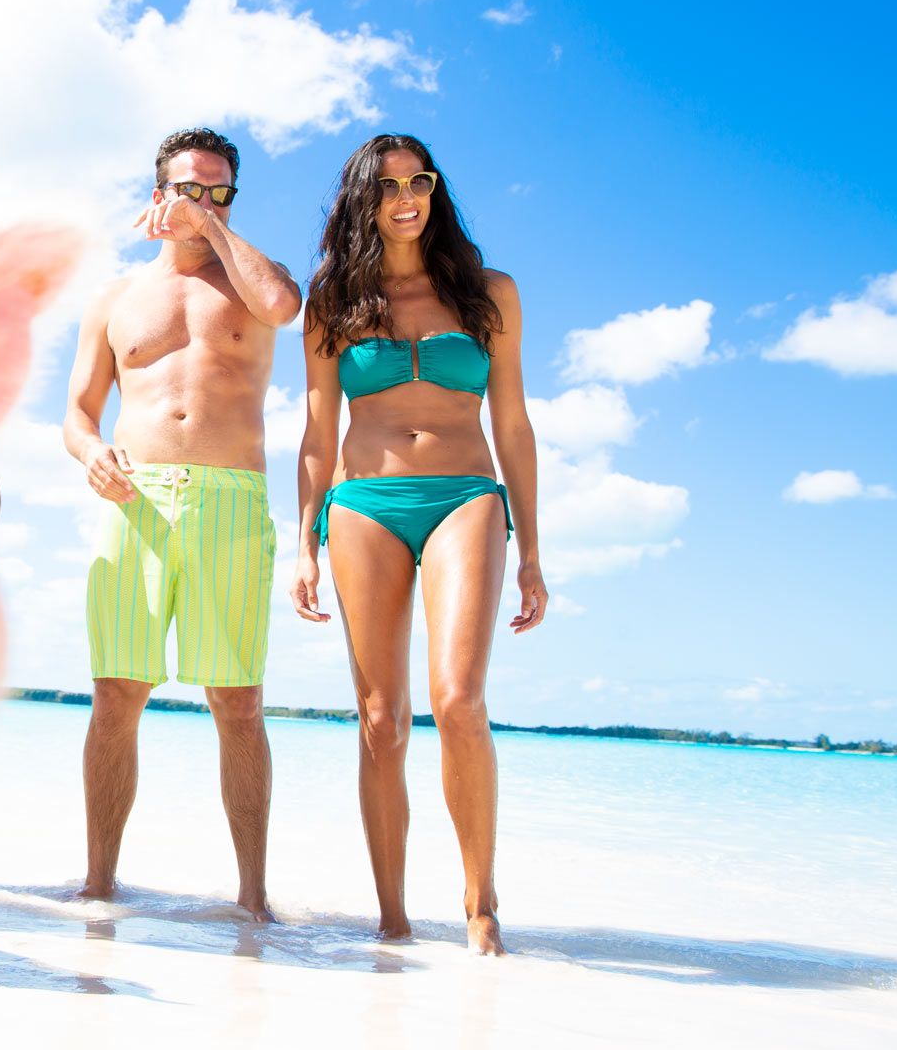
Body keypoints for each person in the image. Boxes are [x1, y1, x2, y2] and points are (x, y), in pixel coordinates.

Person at [290, 134, 546, 956]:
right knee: (380, 721)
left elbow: (512, 421)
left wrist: (533, 549)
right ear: (364, 198)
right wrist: (303, 542)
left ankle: (480, 905)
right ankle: (392, 922)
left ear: (435, 191)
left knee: (460, 700)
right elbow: (316, 431)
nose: (407, 198)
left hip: (465, 496)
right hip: (361, 503)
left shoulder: (488, 293)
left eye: (420, 182)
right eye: (390, 185)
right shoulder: (332, 302)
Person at [63, 127, 301, 922]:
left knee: (237, 702)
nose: (201, 201)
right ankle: (99, 886)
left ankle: (254, 899)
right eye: (187, 187)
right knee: (115, 694)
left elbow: (284, 307)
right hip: (135, 498)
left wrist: (215, 232)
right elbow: (76, 411)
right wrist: (91, 450)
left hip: (232, 499)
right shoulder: (113, 297)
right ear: (156, 191)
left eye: (218, 189)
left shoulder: (253, 283)